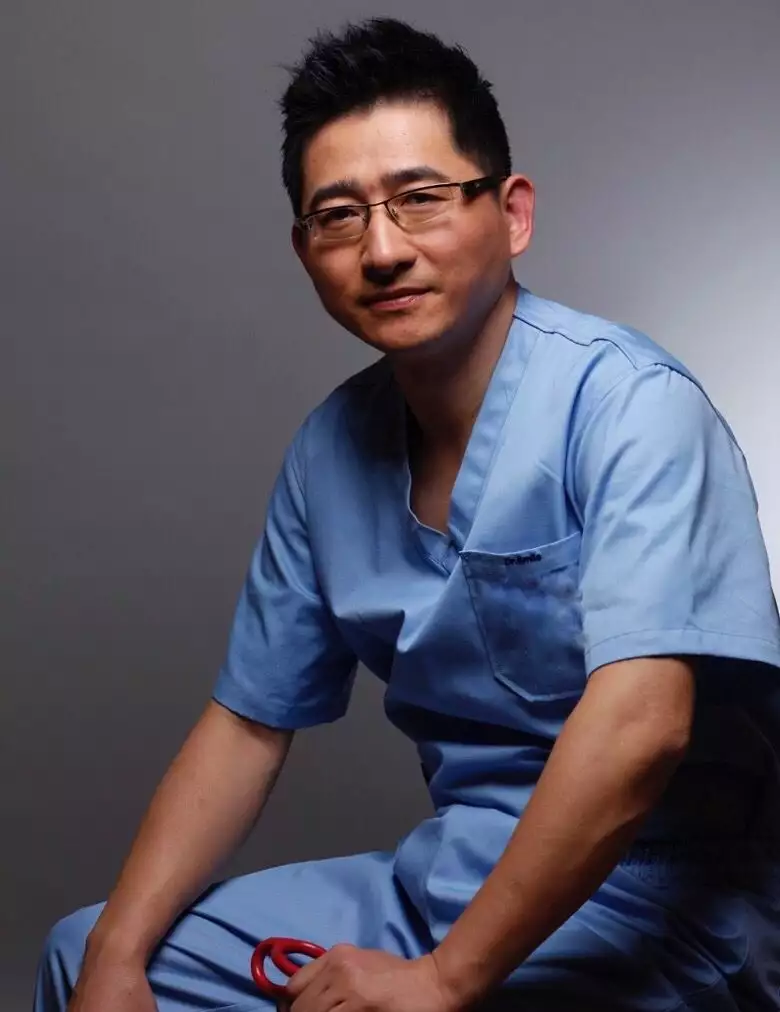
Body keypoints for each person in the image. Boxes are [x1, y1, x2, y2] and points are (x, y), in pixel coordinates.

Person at [34, 16, 780, 1012]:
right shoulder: (329, 452)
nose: (382, 249)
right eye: (339, 216)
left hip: (666, 902)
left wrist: (442, 978)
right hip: (452, 876)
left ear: (512, 213)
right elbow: (246, 726)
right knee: (88, 956)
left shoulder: (631, 406)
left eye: (420, 199)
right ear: (305, 248)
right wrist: (118, 951)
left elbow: (643, 726)